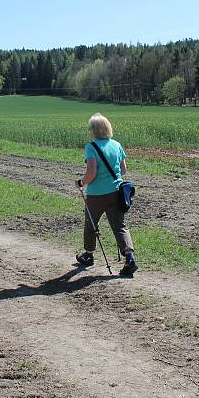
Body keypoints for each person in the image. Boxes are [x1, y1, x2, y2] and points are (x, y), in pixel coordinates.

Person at [74, 113, 138, 278]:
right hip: (116, 192)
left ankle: (88, 255)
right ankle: (130, 257)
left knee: (91, 225)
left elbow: (91, 173)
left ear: (94, 130)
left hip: (96, 195)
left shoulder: (91, 147)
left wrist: (81, 182)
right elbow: (123, 170)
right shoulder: (117, 145)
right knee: (120, 226)